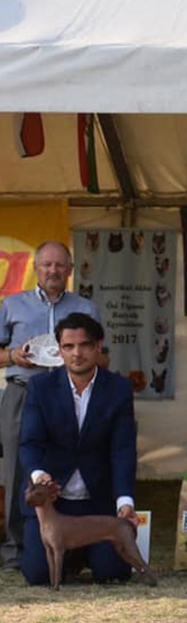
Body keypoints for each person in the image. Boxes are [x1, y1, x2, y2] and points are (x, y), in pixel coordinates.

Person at [18, 312, 139, 585]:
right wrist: (38, 476)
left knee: (113, 573)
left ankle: (84, 553)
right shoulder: (40, 387)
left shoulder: (119, 388)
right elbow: (29, 442)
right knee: (38, 575)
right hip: (52, 503)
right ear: (59, 350)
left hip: (97, 504)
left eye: (84, 345)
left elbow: (122, 449)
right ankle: (72, 556)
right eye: (68, 346)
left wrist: (125, 502)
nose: (76, 353)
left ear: (98, 346)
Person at [0, 241, 100, 569]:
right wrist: (13, 356)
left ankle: (65, 546)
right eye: (46, 265)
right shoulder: (11, 305)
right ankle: (15, 550)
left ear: (70, 270)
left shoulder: (86, 308)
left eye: (59, 265)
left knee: (66, 465)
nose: (53, 270)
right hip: (22, 392)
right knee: (17, 469)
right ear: (36, 268)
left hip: (68, 395)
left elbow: (104, 356)